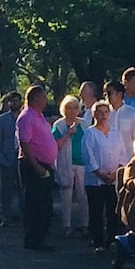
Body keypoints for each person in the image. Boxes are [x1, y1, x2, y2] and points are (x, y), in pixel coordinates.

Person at [17, 84, 58, 251]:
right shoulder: (26, 117)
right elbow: (24, 142)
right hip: (33, 164)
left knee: (44, 202)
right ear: (35, 98)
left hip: (44, 163)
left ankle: (40, 235)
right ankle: (33, 238)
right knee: (34, 202)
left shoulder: (39, 116)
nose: (46, 100)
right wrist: (35, 165)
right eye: (43, 97)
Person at [82, 101, 126, 253]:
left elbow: (122, 154)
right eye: (99, 112)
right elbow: (88, 156)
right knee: (96, 211)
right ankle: (98, 241)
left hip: (113, 179)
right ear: (94, 115)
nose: (103, 115)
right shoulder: (89, 133)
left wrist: (116, 173)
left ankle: (112, 240)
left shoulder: (116, 133)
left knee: (113, 211)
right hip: (95, 180)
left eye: (105, 112)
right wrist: (100, 173)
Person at [52, 95, 89, 238]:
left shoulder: (84, 124)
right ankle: (67, 225)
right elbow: (56, 145)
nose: (72, 111)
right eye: (68, 107)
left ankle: (85, 225)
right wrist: (68, 133)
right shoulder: (59, 125)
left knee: (83, 195)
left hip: (82, 163)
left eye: (74, 107)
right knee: (66, 194)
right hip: (66, 162)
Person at [0, 91, 23, 227]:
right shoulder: (2, 119)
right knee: (6, 190)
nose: (14, 103)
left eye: (17, 101)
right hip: (6, 158)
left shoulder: (25, 117)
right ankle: (5, 216)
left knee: (23, 189)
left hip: (23, 158)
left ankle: (25, 216)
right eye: (12, 101)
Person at [104, 80, 135, 167]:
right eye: (105, 94)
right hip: (106, 162)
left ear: (119, 94)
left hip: (127, 161)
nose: (107, 97)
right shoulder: (103, 113)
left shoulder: (132, 113)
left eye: (109, 93)